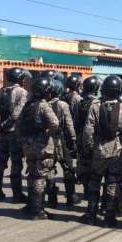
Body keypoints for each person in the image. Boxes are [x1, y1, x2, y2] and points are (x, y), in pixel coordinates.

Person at [81, 75, 122, 227]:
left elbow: (87, 131)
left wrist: (88, 148)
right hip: (117, 151)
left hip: (99, 149)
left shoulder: (95, 106)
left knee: (94, 181)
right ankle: (109, 217)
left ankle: (91, 213)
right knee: (113, 183)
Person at [17, 76, 60, 220]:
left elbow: (19, 125)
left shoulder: (28, 105)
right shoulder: (43, 105)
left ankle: (31, 205)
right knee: (40, 177)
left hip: (28, 145)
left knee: (32, 174)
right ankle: (37, 210)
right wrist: (45, 131)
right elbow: (55, 123)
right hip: (41, 146)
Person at [0, 67, 30, 202]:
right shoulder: (22, 92)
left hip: (2, 133)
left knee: (0, 163)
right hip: (15, 133)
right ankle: (17, 194)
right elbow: (17, 113)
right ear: (20, 78)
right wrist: (7, 124)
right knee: (16, 163)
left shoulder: (1, 91)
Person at [49, 78, 78, 208]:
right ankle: (71, 197)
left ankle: (51, 198)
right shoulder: (62, 105)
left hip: (46, 141)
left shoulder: (43, 104)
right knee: (68, 168)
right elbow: (69, 125)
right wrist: (73, 140)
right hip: (61, 140)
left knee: (49, 169)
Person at [74, 76, 101, 199]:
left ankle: (86, 190)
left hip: (80, 138)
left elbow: (75, 122)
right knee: (94, 168)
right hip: (94, 139)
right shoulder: (97, 104)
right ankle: (92, 193)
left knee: (83, 166)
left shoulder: (79, 103)